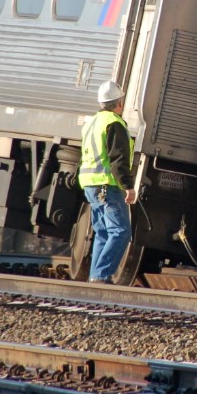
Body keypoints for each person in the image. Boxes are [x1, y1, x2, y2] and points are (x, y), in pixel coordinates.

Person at [78, 80, 137, 283]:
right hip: (107, 185)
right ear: (119, 102)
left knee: (103, 232)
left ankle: (96, 277)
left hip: (90, 184)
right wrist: (128, 187)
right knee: (120, 231)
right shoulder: (114, 123)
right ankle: (101, 276)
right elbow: (118, 159)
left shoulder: (92, 123)